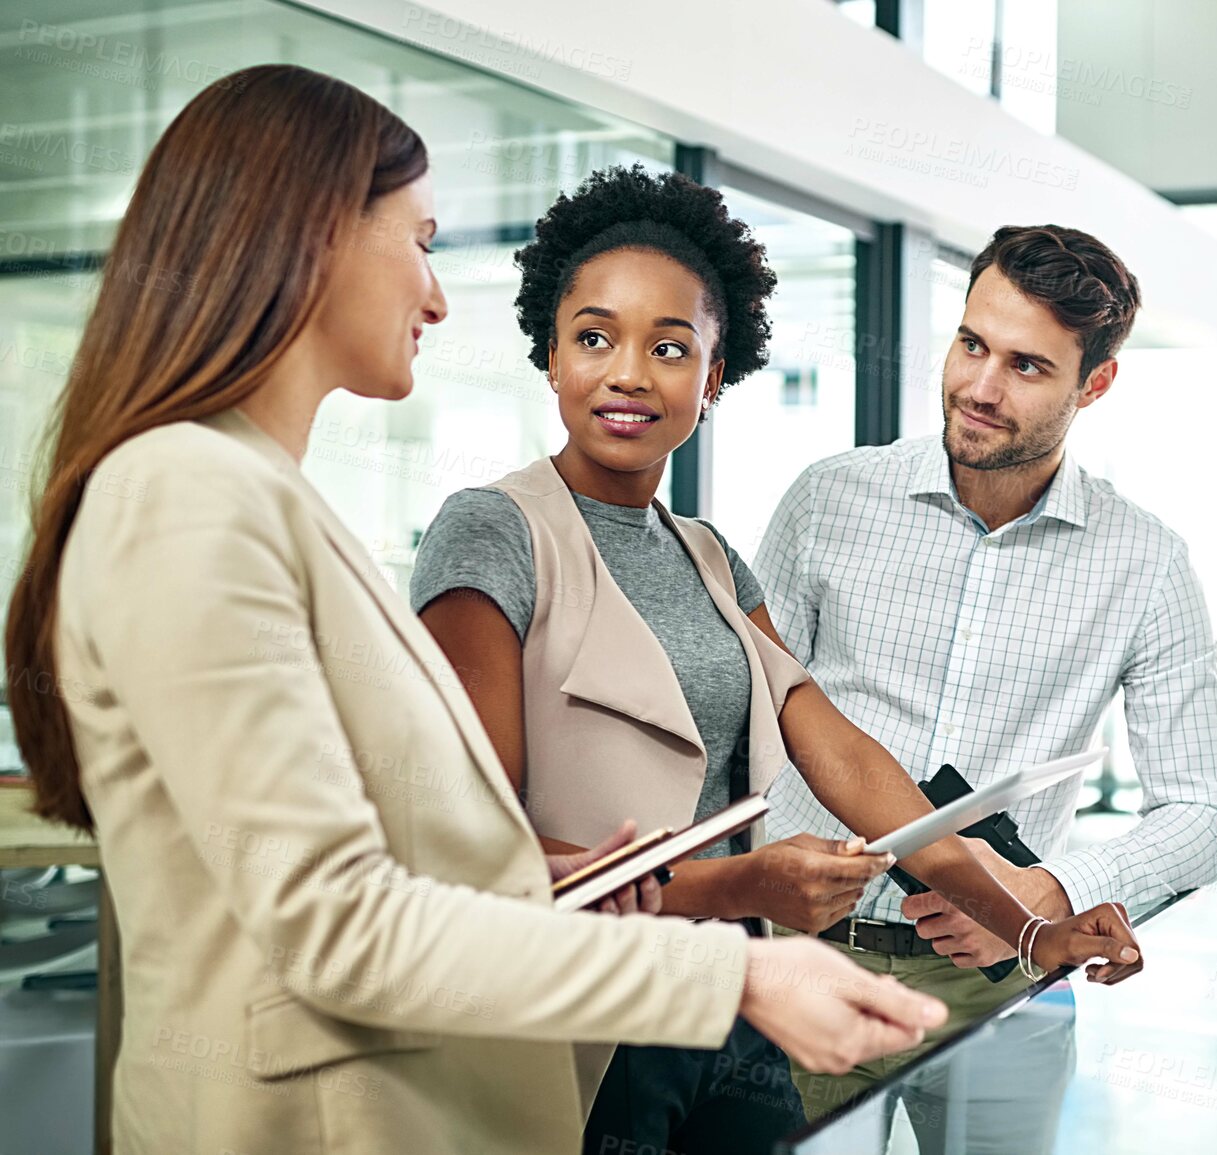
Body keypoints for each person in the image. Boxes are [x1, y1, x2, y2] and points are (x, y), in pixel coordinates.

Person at [0, 65, 950, 1155]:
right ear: (314, 238)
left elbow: (347, 849)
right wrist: (733, 963)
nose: (438, 295)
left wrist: (538, 874)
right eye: (421, 240)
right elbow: (336, 925)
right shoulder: (188, 494)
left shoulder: (260, 496)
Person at [410, 165, 1145, 1155]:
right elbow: (476, 859)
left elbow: (844, 759)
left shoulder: (710, 556)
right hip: (581, 1014)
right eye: (594, 337)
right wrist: (744, 886)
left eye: (670, 349)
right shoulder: (493, 532)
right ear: (550, 354)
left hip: (727, 1012)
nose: (629, 373)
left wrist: (1028, 931)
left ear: (712, 378)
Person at [757, 224, 1217, 1143]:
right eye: (971, 344)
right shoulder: (827, 500)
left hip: (1005, 986)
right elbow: (741, 722)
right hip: (804, 960)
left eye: (1026, 366)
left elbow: (1207, 814)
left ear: (1092, 384)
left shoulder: (1145, 563)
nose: (979, 387)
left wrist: (1046, 892)